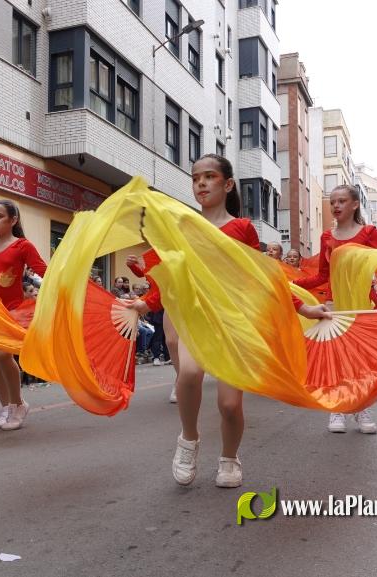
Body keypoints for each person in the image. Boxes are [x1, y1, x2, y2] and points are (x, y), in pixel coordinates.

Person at [125, 154, 330, 488]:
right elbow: (173, 276)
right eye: (195, 178)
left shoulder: (242, 228)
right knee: (189, 373)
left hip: (234, 321)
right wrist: (146, 304)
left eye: (209, 176)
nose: (201, 183)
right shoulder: (183, 227)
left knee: (230, 404)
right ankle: (188, 440)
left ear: (227, 184)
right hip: (198, 315)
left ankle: (229, 457)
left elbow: (260, 278)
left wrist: (302, 308)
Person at [293, 184, 377, 435]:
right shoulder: (327, 237)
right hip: (336, 306)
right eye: (332, 202)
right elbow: (323, 275)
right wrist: (292, 284)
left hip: (363, 306)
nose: (335, 206)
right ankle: (338, 408)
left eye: (342, 201)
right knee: (338, 358)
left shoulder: (369, 233)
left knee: (361, 360)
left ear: (355, 204)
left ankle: (361, 407)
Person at [0, 200, 47, 430]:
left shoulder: (22, 246)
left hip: (14, 310)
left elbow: (42, 270)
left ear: (13, 220)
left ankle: (19, 404)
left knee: (2, 355)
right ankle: (6, 407)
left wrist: (57, 287)